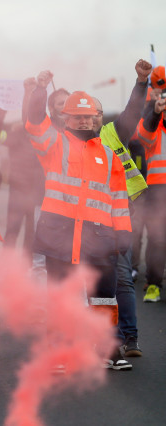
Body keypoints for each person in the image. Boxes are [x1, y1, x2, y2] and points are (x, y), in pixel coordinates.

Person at [26, 71, 133, 371]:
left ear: (96, 119)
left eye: (89, 117)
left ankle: (108, 348)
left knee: (104, 298)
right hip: (59, 236)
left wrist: (123, 234)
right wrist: (39, 88)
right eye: (77, 117)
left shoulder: (110, 157)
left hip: (99, 239)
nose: (84, 122)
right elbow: (34, 122)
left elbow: (119, 199)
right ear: (65, 120)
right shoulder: (53, 145)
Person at [92, 59, 152, 357]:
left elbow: (132, 112)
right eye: (85, 115)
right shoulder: (67, 142)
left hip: (118, 215)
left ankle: (129, 338)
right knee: (92, 283)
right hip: (85, 221)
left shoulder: (112, 133)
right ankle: (104, 340)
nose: (91, 120)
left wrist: (141, 83)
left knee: (122, 278)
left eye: (96, 114)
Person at [138, 65, 166, 304]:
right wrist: (155, 111)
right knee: (157, 238)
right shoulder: (153, 126)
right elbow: (144, 133)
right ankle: (154, 284)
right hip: (158, 189)